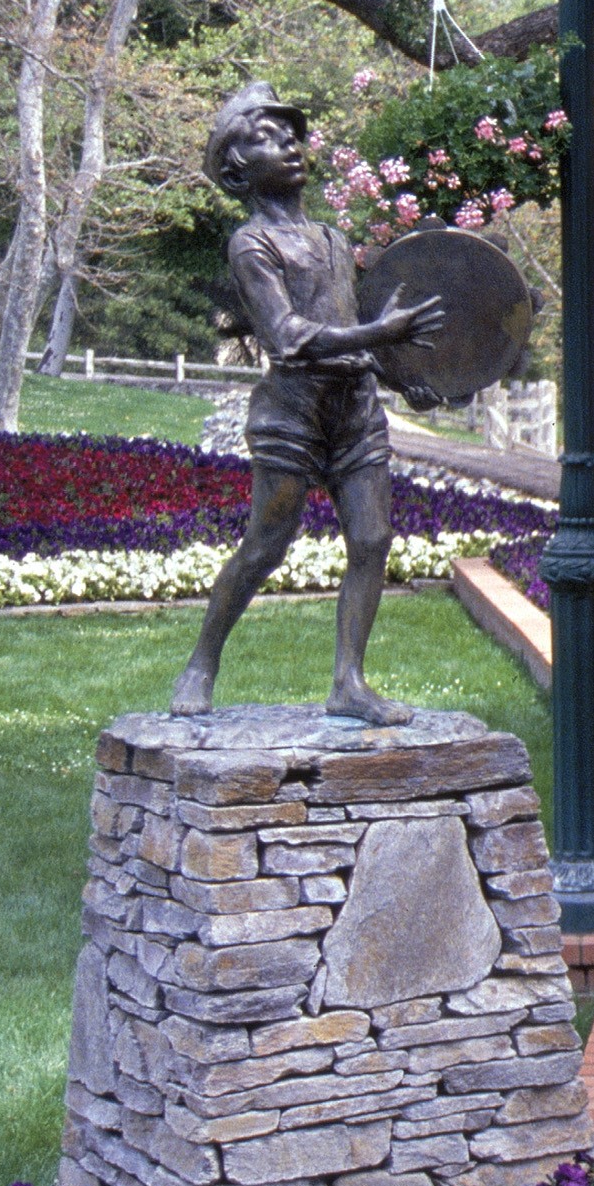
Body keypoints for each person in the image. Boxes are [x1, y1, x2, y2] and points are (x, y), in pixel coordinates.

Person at [171, 82, 447, 725]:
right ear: (237, 169)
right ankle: (202, 662)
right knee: (267, 545)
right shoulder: (251, 244)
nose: (289, 143)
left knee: (373, 538)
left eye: (292, 133)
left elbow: (352, 331)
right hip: (292, 412)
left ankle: (349, 682)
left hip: (353, 409)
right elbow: (289, 337)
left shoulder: (330, 238)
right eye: (266, 137)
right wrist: (382, 334)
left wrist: (405, 379)